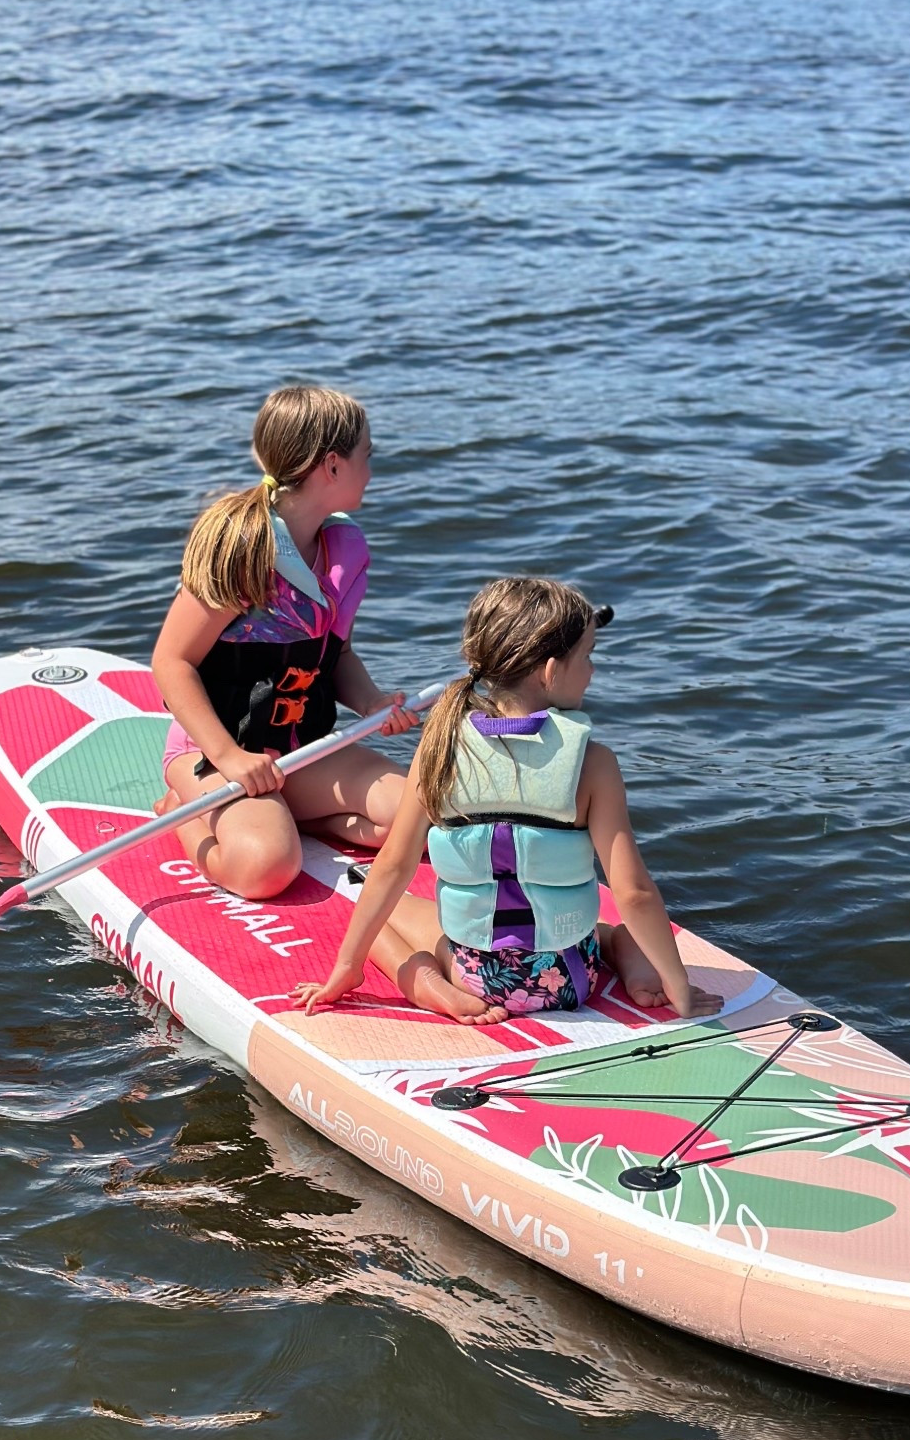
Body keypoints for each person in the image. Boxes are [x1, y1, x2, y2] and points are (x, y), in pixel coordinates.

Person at [294, 577, 725, 1026]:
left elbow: (392, 867)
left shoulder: (440, 747)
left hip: (475, 976)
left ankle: (431, 989)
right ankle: (638, 971)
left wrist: (346, 967)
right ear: (551, 670)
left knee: (384, 916)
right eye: (588, 656)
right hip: (572, 977)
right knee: (612, 930)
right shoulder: (593, 763)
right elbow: (634, 893)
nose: (593, 670)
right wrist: (680, 989)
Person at [151, 385, 418, 900]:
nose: (373, 468)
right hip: (219, 752)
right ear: (332, 467)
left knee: (418, 820)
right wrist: (228, 756)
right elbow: (172, 661)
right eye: (368, 455)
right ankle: (181, 811)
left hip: (301, 751)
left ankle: (285, 814)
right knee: (266, 869)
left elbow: (335, 655)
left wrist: (372, 703)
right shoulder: (241, 545)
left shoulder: (346, 548)